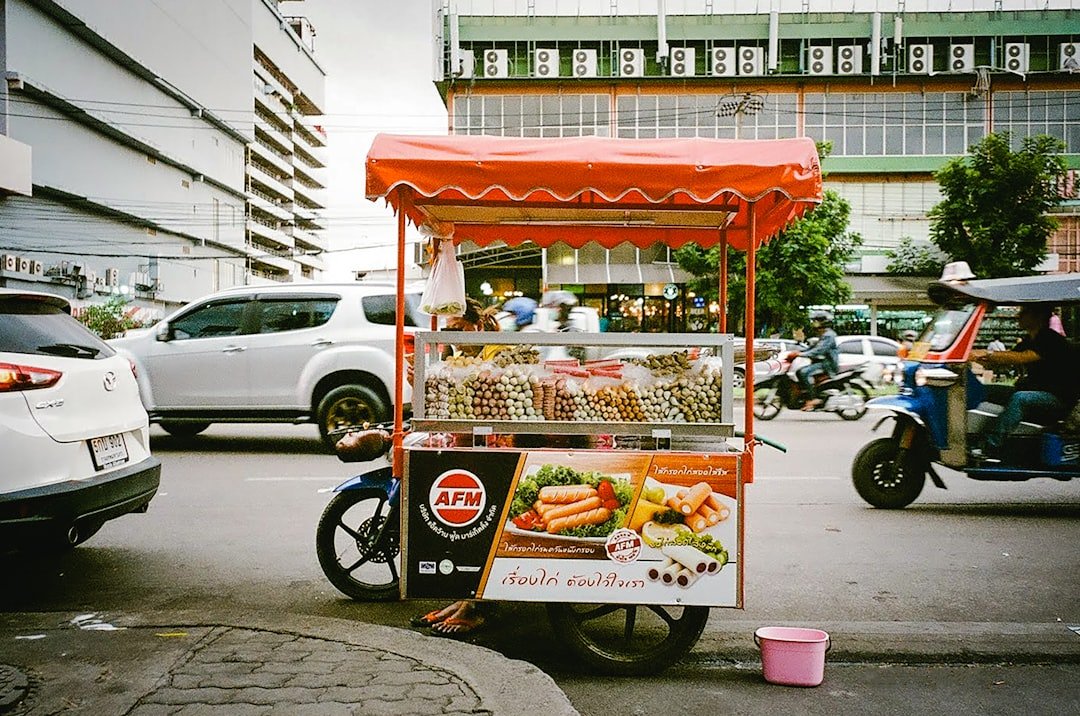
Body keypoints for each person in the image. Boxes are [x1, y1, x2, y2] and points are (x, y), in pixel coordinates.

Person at [971, 304, 1077, 455]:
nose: (1017, 316)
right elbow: (1008, 358)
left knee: (1020, 398)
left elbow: (1023, 356)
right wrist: (971, 357)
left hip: (1058, 398)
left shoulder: (1050, 339)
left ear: (1037, 316)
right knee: (987, 389)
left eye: (1023, 312)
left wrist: (986, 354)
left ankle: (989, 445)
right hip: (1038, 391)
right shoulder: (1030, 339)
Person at [796, 310, 839, 411]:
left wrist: (801, 354)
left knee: (803, 372)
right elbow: (813, 348)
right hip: (821, 362)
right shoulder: (823, 334)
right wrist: (799, 352)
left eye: (816, 321)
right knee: (798, 371)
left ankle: (813, 398)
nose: (814, 323)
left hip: (827, 364)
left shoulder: (829, 335)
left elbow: (819, 350)